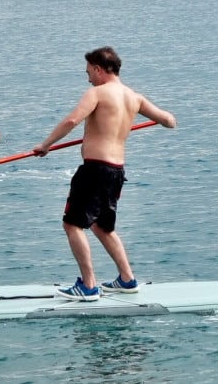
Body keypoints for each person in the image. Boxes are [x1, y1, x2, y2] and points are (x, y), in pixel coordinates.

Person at [32, 46, 176, 302]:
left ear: (99, 70)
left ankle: (88, 286)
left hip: (95, 169)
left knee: (72, 224)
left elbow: (71, 121)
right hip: (116, 171)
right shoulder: (135, 98)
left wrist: (46, 145)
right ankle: (127, 279)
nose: (87, 77)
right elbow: (169, 121)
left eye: (88, 72)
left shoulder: (97, 93)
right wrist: (162, 119)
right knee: (102, 226)